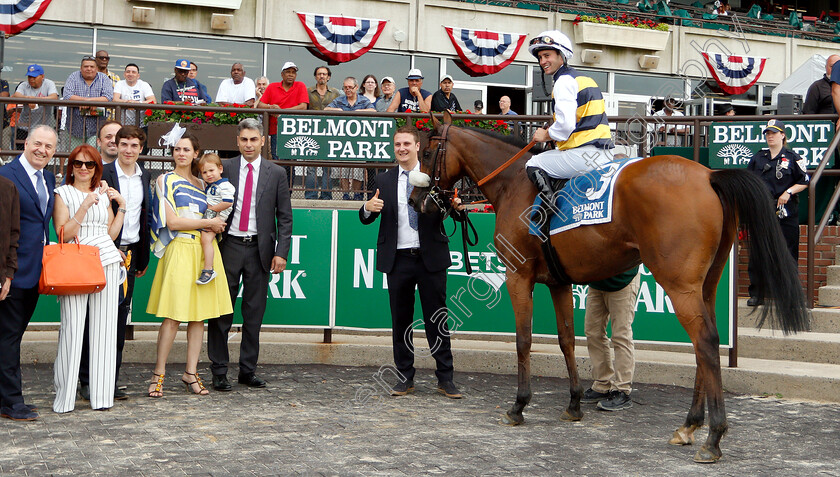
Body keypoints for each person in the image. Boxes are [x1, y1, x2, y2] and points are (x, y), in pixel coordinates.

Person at [360, 125, 465, 399]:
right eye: (397, 144)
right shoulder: (383, 180)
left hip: (430, 259)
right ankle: (404, 378)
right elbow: (368, 214)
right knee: (401, 322)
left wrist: (458, 208)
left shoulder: (435, 176)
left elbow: (455, 215)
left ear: (418, 146)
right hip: (398, 260)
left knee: (437, 321)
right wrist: (365, 209)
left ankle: (446, 378)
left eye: (407, 143)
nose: (402, 148)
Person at [207, 118, 293, 391]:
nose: (248, 144)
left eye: (253, 139)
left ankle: (247, 370)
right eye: (244, 139)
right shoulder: (226, 168)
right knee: (221, 312)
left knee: (254, 314)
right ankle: (219, 370)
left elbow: (285, 217)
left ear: (263, 141)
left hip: (260, 249)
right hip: (228, 246)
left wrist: (281, 252)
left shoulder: (277, 173)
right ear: (237, 141)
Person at [146, 129, 232, 397]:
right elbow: (172, 222)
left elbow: (220, 213)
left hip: (205, 250)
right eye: (177, 149)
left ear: (196, 154)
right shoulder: (165, 180)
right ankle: (158, 374)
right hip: (180, 248)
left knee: (198, 318)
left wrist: (215, 226)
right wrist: (209, 223)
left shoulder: (205, 184)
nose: (180, 154)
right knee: (173, 317)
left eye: (186, 150)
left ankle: (190, 373)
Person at [79, 125, 152, 402]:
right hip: (101, 254)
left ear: (141, 149)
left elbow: (144, 218)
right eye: (124, 144)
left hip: (130, 258)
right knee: (93, 319)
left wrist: (142, 256)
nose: (129, 150)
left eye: (134, 145)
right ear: (115, 145)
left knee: (119, 320)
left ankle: (109, 380)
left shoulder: (145, 177)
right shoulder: (102, 175)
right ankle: (87, 380)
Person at [51, 145, 125, 413]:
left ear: (97, 168)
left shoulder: (102, 194)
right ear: (71, 166)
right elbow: (63, 235)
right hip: (75, 265)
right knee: (72, 329)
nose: (83, 168)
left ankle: (102, 398)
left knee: (105, 331)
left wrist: (123, 208)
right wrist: (82, 208)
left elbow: (110, 234)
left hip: (105, 261)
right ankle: (65, 399)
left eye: (89, 164)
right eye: (78, 163)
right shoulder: (63, 193)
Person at [0, 125, 57, 421]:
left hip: (35, 272)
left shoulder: (48, 177)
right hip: (11, 272)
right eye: (38, 143)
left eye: (49, 146)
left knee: (11, 336)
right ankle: (11, 402)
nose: (42, 150)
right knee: (8, 337)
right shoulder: (6, 176)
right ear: (25, 143)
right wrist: (4, 274)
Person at [525, 31, 613, 197]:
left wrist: (546, 135)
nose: (542, 61)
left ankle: (549, 207)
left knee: (533, 162)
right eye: (540, 58)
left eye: (547, 55)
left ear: (561, 55)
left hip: (582, 155)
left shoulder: (563, 82)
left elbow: (566, 126)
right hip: (604, 153)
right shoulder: (584, 78)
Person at [745, 119, 809, 306]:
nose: (770, 136)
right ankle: (757, 293)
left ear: (783, 135)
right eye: (767, 133)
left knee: (787, 251)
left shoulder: (793, 157)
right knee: (758, 251)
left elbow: (805, 180)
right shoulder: (758, 157)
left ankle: (788, 294)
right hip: (762, 210)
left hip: (786, 211)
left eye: (774, 132)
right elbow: (749, 181)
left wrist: (788, 192)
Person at [582, 268, 641, 412]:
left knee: (621, 336)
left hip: (623, 281)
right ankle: (602, 384)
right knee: (593, 332)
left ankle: (622, 390)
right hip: (597, 282)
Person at [326, 77, 375, 200]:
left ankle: (357, 194)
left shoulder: (363, 100)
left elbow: (373, 111)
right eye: (345, 87)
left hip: (359, 141)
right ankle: (346, 194)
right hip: (342, 141)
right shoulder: (339, 100)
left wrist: (359, 111)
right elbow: (326, 109)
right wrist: (339, 110)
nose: (347, 90)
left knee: (358, 170)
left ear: (356, 87)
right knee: (343, 170)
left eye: (350, 87)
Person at [257, 61, 308, 164]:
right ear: (282, 74)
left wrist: (280, 112)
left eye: (293, 72)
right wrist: (271, 107)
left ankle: (290, 181)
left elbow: (303, 107)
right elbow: (260, 105)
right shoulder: (272, 87)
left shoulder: (300, 85)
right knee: (277, 161)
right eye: (288, 72)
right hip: (276, 130)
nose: (291, 74)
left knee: (292, 162)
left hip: (294, 130)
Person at [196, 153, 235, 285]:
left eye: (211, 170)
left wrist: (211, 210)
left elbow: (228, 202)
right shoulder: (212, 185)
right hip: (212, 214)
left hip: (217, 216)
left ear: (220, 169)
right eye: (204, 172)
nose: (208, 174)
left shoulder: (225, 185)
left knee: (206, 240)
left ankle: (208, 270)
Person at [63, 56, 114, 149]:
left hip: (97, 126)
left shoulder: (104, 78)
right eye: (86, 66)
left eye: (92, 66)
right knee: (75, 155)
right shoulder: (73, 77)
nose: (89, 69)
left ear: (97, 69)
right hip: (75, 126)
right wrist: (84, 101)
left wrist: (90, 101)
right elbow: (67, 95)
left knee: (92, 156)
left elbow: (109, 97)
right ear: (81, 68)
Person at [306, 66, 341, 200]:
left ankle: (326, 195)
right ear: (315, 76)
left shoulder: (336, 93)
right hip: (311, 132)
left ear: (329, 77)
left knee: (327, 168)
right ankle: (311, 195)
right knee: (311, 167)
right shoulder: (308, 91)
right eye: (319, 74)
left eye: (324, 74)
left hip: (329, 133)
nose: (322, 76)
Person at [12, 64, 58, 146]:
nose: (31, 79)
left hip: (42, 129)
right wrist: (28, 98)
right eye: (29, 77)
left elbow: (54, 97)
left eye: (34, 77)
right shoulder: (24, 85)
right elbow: (16, 95)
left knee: (39, 151)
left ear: (42, 76)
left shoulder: (48, 83)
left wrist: (36, 100)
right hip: (24, 127)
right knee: (21, 153)